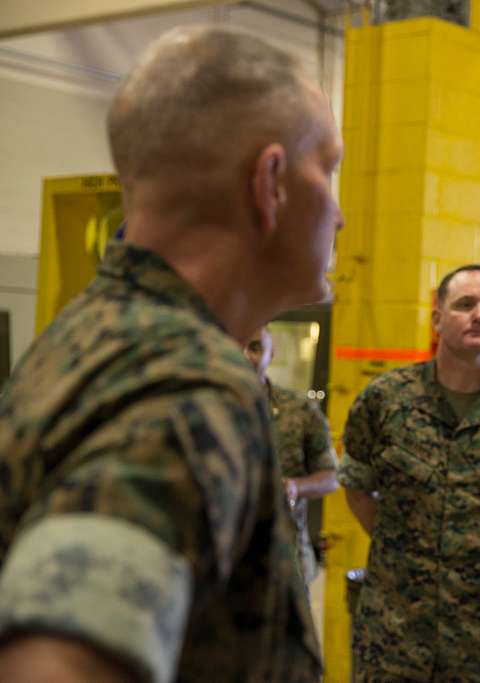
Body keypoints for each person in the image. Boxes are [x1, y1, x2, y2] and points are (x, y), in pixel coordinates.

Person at [0, 24, 343, 683]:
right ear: (269, 182)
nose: (340, 212)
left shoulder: (83, 339)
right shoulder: (188, 388)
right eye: (327, 167)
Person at [340, 264, 480, 682]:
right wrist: (410, 548)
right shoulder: (384, 402)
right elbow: (358, 491)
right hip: (394, 636)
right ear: (436, 318)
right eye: (465, 304)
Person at [245, 326, 340, 584]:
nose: (244, 356)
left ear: (271, 353)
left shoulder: (299, 410)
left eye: (255, 348)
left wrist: (296, 487)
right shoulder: (204, 408)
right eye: (236, 346)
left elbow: (332, 476)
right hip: (220, 562)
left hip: (286, 561)